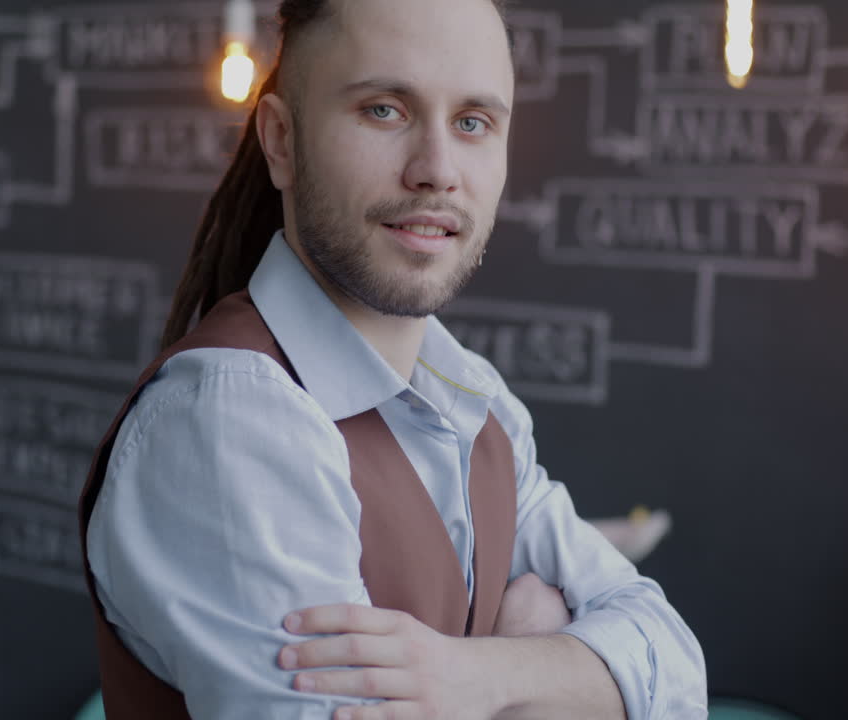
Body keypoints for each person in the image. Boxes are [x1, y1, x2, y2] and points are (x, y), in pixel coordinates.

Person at [79, 0, 708, 717]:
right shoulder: (234, 417)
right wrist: (546, 642)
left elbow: (677, 666)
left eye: (473, 122)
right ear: (282, 141)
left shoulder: (477, 402)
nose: (437, 170)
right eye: (384, 110)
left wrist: (485, 677)